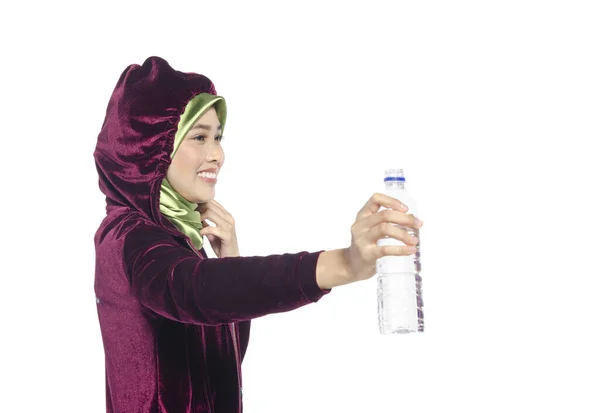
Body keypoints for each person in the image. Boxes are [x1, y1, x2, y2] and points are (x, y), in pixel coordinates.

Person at [93, 55, 423, 413]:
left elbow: (223, 362)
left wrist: (230, 259)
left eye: (218, 137)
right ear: (149, 147)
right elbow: (191, 290)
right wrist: (343, 264)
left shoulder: (177, 238)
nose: (216, 154)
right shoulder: (130, 235)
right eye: (199, 137)